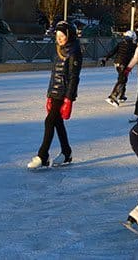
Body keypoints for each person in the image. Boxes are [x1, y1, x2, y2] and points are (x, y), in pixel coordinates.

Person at [27, 21, 82, 169]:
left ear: (69, 35)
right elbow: (54, 75)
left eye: (62, 35)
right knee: (57, 122)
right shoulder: (59, 49)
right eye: (57, 35)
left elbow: (74, 77)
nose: (59, 38)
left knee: (49, 121)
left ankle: (43, 155)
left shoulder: (74, 51)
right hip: (55, 92)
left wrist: (69, 99)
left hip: (64, 93)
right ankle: (66, 152)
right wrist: (49, 95)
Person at [100, 30, 137, 106]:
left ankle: (121, 96)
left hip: (117, 64)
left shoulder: (120, 43)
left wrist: (105, 58)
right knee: (122, 80)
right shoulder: (133, 46)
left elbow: (112, 51)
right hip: (123, 64)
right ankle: (113, 96)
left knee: (123, 78)